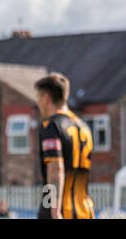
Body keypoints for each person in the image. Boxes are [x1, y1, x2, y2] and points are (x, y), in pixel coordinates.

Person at [35, 73, 95, 219]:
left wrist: (54, 213)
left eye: (38, 97)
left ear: (46, 98)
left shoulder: (51, 126)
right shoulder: (84, 127)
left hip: (59, 210)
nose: (38, 103)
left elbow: (55, 169)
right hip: (84, 210)